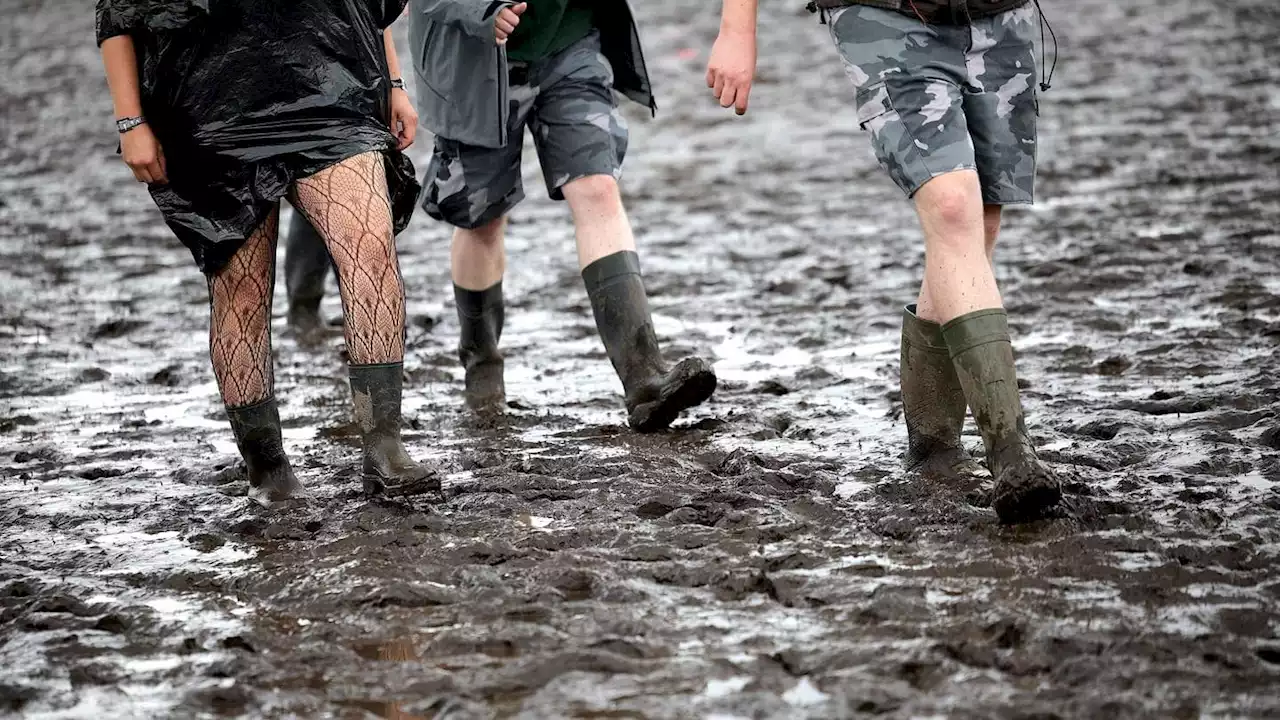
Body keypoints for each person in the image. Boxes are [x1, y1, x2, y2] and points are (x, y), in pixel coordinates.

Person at [706, 0, 1061, 523]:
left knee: (977, 221)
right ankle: (1009, 450)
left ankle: (934, 446)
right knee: (950, 204)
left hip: (997, 16)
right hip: (885, 15)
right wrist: (737, 28)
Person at [96, 0, 434, 507]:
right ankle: (266, 468)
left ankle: (385, 449)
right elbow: (117, 12)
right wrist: (129, 121)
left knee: (370, 251)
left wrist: (395, 83)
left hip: (334, 89)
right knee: (242, 289)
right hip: (212, 105)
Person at [384, 0, 718, 432]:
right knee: (481, 222)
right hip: (471, 60)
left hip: (571, 41)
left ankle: (644, 379)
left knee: (597, 187)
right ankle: (482, 366)